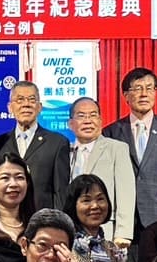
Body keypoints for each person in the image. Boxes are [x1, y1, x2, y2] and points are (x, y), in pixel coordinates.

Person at [100, 68, 157, 249]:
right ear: (126, 95)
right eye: (138, 88)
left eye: (149, 88)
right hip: (124, 217)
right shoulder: (111, 131)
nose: (144, 94)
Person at [53, 97, 135, 247]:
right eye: (81, 116)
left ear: (100, 121)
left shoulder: (116, 148)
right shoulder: (63, 151)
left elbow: (126, 192)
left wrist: (123, 234)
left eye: (93, 115)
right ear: (70, 124)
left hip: (105, 229)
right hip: (71, 230)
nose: (88, 121)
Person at [0, 80, 66, 211]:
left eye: (32, 100)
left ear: (40, 107)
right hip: (6, 218)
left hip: (42, 219)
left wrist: (57, 221)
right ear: (10, 107)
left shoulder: (57, 143)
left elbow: (61, 193)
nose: (26, 104)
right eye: (20, 100)